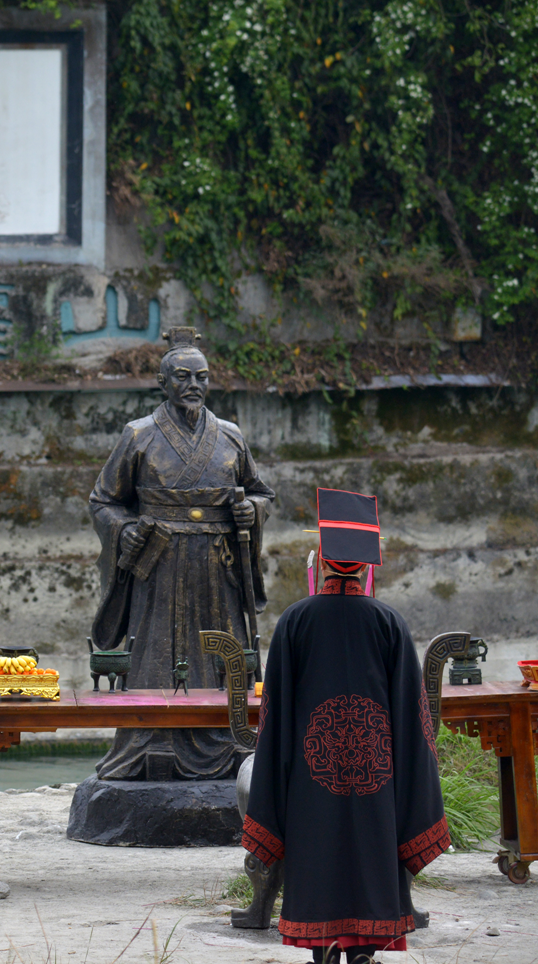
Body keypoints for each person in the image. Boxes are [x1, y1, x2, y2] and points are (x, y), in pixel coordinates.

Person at [243, 489, 448, 964]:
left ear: (319, 561)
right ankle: (364, 954)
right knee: (372, 860)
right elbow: (414, 723)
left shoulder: (294, 622)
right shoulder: (389, 623)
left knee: (316, 859)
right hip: (378, 783)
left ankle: (324, 951)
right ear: (367, 567)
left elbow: (273, 721)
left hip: (311, 785)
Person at [89, 327, 275, 780]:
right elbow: (103, 500)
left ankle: (229, 741)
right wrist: (125, 529)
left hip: (218, 563)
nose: (193, 385)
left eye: (202, 377)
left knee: (221, 652)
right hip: (161, 562)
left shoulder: (230, 436)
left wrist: (250, 510)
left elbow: (261, 493)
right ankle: (149, 743)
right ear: (162, 382)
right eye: (183, 377)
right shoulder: (139, 435)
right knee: (155, 648)